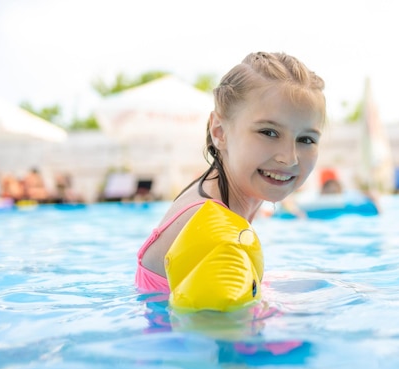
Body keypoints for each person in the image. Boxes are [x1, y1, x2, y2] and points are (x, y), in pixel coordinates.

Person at [136, 52, 326, 293]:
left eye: (306, 139)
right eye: (268, 132)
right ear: (219, 132)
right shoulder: (216, 238)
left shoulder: (214, 197)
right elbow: (223, 328)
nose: (289, 158)